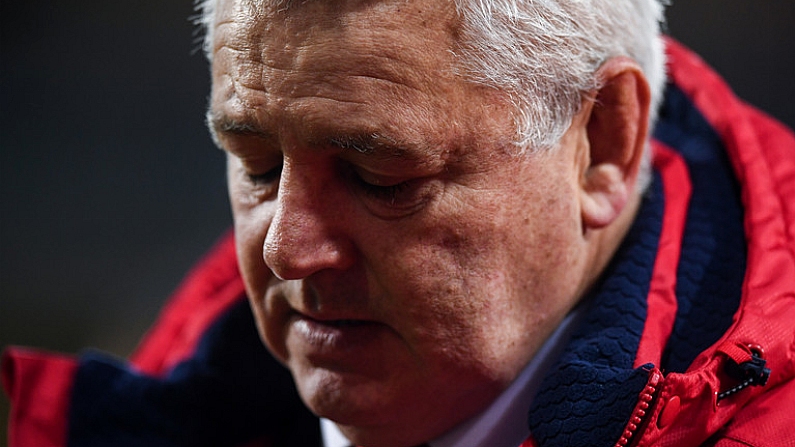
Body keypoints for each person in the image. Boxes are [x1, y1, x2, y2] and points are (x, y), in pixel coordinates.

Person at [3, 0, 794, 446]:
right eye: (257, 166)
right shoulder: (169, 396)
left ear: (602, 145)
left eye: (379, 177)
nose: (285, 248)